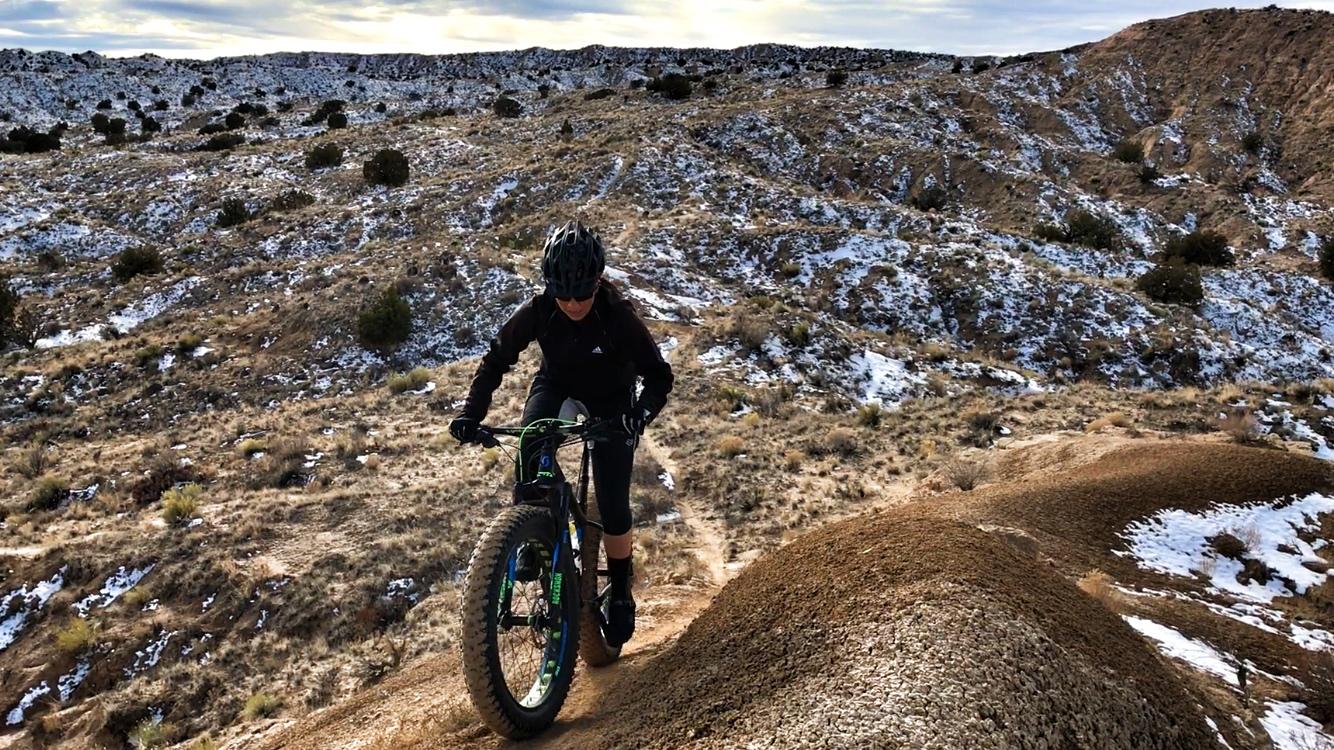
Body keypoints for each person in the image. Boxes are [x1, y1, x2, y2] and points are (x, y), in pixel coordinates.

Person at [449, 220, 674, 647]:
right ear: (549, 287)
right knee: (531, 443)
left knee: (611, 501)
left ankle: (622, 589)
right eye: (563, 294)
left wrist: (640, 414)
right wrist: (470, 413)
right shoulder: (538, 310)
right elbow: (496, 360)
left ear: (598, 282)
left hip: (613, 399)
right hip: (558, 386)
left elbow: (659, 376)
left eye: (583, 293)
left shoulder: (618, 315)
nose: (572, 303)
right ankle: (532, 534)